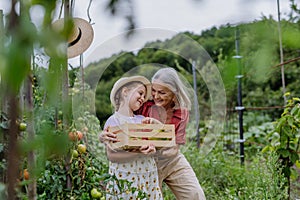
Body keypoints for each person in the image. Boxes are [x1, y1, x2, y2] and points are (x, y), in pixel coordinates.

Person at [100, 67, 206, 199]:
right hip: (146, 161)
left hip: (170, 159)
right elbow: (122, 120)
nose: (155, 96)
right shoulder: (144, 103)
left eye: (161, 92)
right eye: (154, 91)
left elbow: (174, 149)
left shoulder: (181, 113)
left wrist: (158, 146)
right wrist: (103, 135)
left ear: (174, 92)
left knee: (195, 195)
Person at [103, 75, 163, 200]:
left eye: (144, 96)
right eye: (140, 93)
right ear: (125, 92)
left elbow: (162, 136)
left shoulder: (142, 120)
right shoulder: (113, 121)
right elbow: (111, 155)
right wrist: (139, 153)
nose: (142, 98)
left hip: (147, 175)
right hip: (126, 177)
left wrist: (152, 146)